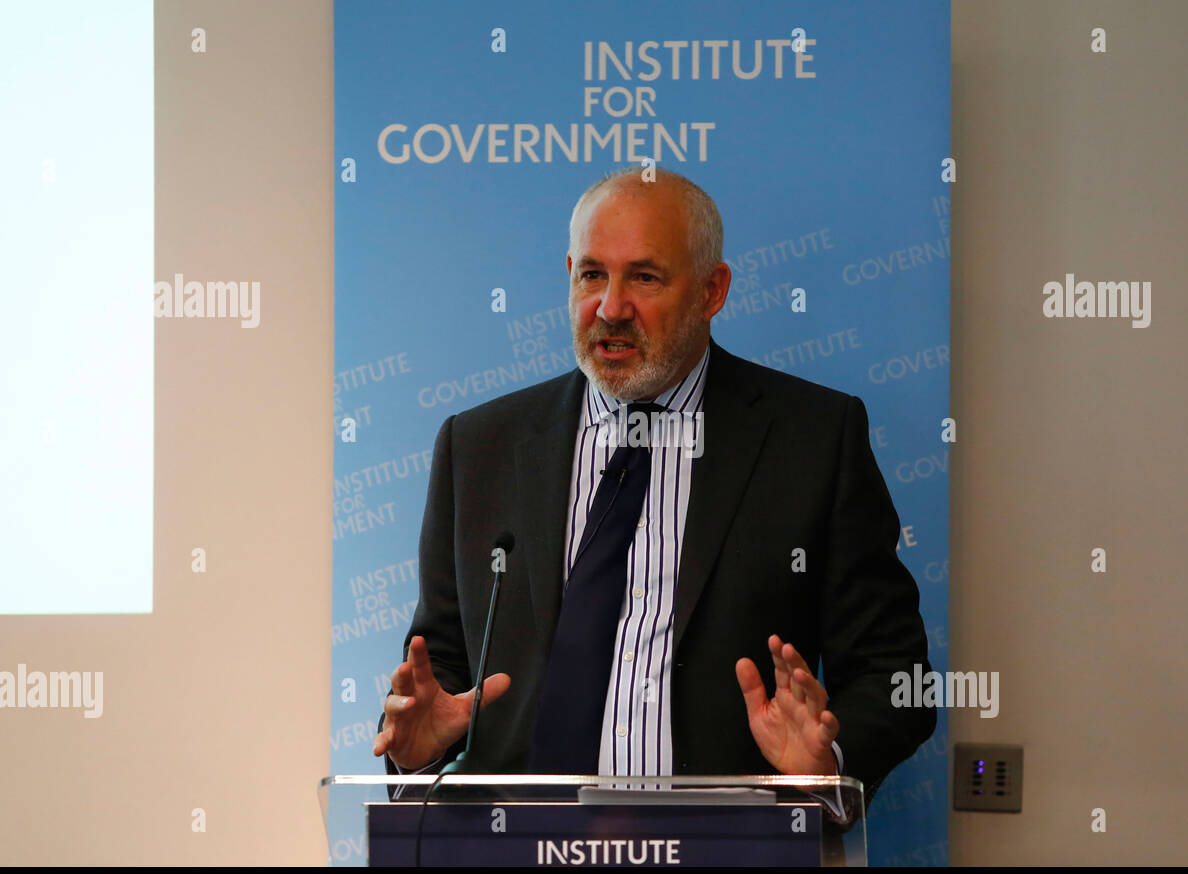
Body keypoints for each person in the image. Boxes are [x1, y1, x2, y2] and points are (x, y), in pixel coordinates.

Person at [373, 166, 935, 797]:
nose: (611, 308)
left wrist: (825, 763)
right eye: (592, 275)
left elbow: (896, 675)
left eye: (644, 277)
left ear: (712, 291)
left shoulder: (813, 439)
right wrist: (418, 754)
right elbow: (440, 668)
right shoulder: (479, 446)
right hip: (519, 844)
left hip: (730, 846)